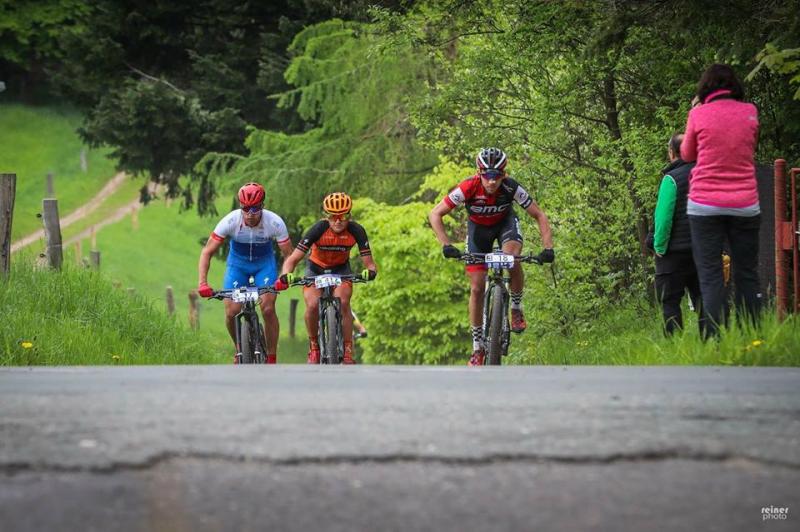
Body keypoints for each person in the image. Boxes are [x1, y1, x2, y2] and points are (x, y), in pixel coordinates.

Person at [429, 147, 554, 366]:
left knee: (512, 258)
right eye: (487, 175)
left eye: (497, 175)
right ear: (479, 172)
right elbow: (435, 213)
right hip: (478, 232)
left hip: (505, 226)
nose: (492, 181)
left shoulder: (510, 187)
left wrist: (548, 248)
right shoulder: (468, 187)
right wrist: (446, 245)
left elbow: (539, 215)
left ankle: (515, 307)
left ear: (504, 174)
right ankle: (477, 347)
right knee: (477, 287)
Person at [681, 64, 762, 339]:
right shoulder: (750, 112)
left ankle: (716, 342)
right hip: (745, 204)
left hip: (704, 205)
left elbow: (687, 153)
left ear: (705, 88)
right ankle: (753, 338)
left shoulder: (698, 114)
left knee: (711, 274)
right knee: (747, 273)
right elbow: (752, 145)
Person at [274, 192, 377, 365]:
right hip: (315, 270)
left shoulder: (356, 230)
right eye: (332, 216)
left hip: (341, 270)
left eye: (343, 216)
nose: (338, 221)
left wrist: (370, 272)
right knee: (313, 305)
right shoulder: (318, 229)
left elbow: (370, 263)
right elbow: (292, 259)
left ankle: (348, 351)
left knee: (344, 303)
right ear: (326, 216)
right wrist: (286, 274)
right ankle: (314, 347)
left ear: (349, 215)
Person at [197, 182, 293, 363]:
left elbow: (289, 254)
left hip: (264, 264)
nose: (250, 213)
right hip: (238, 266)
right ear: (240, 206)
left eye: (255, 209)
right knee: (231, 312)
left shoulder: (274, 222)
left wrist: (284, 276)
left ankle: (271, 356)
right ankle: (240, 349)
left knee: (268, 307)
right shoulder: (230, 221)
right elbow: (207, 252)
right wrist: (203, 283)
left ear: (262, 206)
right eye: (245, 208)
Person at [649, 133, 704, 336]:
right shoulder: (704, 173)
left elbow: (663, 219)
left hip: (673, 254)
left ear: (671, 153)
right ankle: (712, 342)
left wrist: (659, 247)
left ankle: (675, 345)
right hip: (701, 249)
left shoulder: (671, 179)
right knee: (704, 299)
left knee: (670, 301)